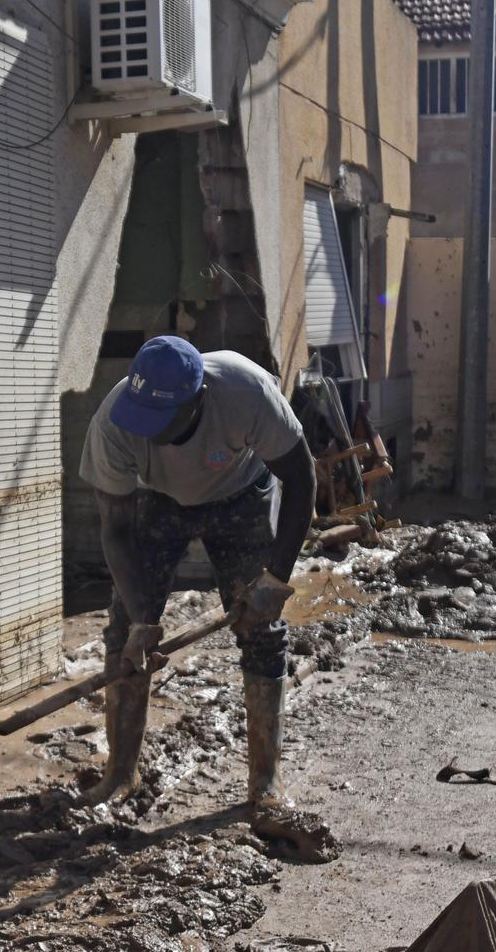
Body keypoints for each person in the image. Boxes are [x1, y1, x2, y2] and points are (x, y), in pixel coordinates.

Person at [77, 334, 326, 849]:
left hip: (241, 494)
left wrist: (276, 579)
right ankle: (121, 774)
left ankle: (265, 784)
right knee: (125, 632)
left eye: (158, 419)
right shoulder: (113, 421)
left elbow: (302, 478)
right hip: (158, 501)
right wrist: (144, 623)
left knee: (263, 632)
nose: (143, 426)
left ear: (197, 399)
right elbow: (116, 530)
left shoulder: (245, 390)